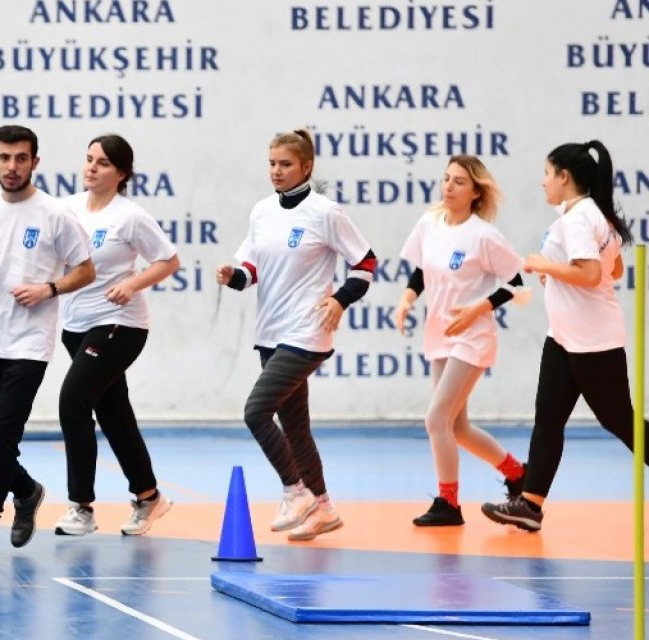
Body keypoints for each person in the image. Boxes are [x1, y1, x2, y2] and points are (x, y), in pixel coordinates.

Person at [214, 128, 376, 542]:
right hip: (270, 332)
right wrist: (234, 275)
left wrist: (340, 300)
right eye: (272, 163)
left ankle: (295, 490)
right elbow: (251, 272)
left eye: (285, 164)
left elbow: (367, 264)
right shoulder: (262, 211)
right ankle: (323, 507)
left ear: (307, 166)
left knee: (255, 412)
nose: (277, 171)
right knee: (296, 426)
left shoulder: (326, 213)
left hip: (307, 331)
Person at [0, 125, 95, 559]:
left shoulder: (54, 214)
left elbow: (85, 271)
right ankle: (26, 490)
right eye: (5, 158)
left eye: (21, 158)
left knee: (2, 435)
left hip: (28, 343)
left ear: (35, 162)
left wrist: (48, 289)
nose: (12, 167)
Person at [482, 140, 640, 532]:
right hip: (565, 336)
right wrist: (557, 270)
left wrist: (546, 266)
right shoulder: (587, 214)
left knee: (620, 421)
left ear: (564, 177)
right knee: (548, 419)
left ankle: (530, 503)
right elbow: (614, 270)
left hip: (593, 340)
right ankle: (530, 505)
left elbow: (590, 275)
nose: (543, 182)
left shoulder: (579, 219)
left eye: (547, 174)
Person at [53, 134, 179, 537]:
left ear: (121, 173)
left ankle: (81, 507)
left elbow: (168, 260)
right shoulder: (67, 208)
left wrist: (134, 284)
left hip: (119, 324)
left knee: (73, 402)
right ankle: (149, 496)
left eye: (103, 163)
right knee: (114, 414)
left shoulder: (130, 216)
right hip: (76, 326)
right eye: (89, 159)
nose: (91, 167)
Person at [394, 156, 530, 527]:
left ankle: (449, 504)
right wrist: (407, 299)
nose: (449, 187)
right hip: (440, 334)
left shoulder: (483, 235)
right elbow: (421, 270)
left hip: (472, 337)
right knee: (457, 428)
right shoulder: (430, 222)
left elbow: (517, 283)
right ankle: (518, 474)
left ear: (475, 191)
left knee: (436, 418)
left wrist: (477, 309)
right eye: (446, 179)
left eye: (458, 182)